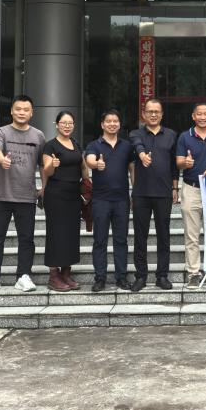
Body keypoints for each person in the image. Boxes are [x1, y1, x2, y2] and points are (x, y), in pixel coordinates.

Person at [0, 95, 46, 295]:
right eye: (18, 109)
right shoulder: (1, 132)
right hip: (1, 195)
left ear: (31, 113)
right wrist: (2, 160)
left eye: (26, 109)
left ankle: (23, 276)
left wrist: (44, 187)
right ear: (11, 111)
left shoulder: (38, 136)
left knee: (27, 239)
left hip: (26, 196)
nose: (21, 113)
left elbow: (43, 164)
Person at [128, 98, 178, 292]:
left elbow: (174, 166)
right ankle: (140, 276)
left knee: (164, 236)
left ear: (162, 114)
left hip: (164, 193)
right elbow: (137, 144)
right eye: (150, 111)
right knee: (140, 237)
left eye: (157, 111)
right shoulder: (136, 133)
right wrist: (142, 155)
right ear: (144, 114)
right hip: (141, 193)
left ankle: (162, 276)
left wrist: (175, 188)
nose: (153, 114)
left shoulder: (171, 135)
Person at [175, 103, 206, 288]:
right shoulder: (184, 136)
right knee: (192, 234)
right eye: (199, 114)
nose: (202, 117)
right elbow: (178, 162)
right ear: (193, 116)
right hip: (191, 188)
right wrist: (185, 163)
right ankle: (193, 273)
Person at [85, 109, 134, 292]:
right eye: (108, 121)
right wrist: (96, 164)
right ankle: (100, 278)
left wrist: (135, 191)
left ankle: (121, 277)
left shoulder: (127, 146)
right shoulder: (94, 145)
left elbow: (132, 169)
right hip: (101, 200)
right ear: (102, 124)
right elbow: (89, 160)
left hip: (122, 200)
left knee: (121, 240)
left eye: (115, 121)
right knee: (100, 240)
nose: (112, 124)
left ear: (119, 124)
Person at [41, 110, 84, 292]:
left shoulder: (76, 144)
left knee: (71, 234)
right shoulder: (50, 146)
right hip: (56, 194)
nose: (67, 126)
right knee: (56, 233)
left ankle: (66, 273)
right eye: (63, 123)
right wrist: (52, 165)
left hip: (73, 194)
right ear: (57, 125)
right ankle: (53, 275)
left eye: (70, 123)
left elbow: (82, 167)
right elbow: (46, 171)